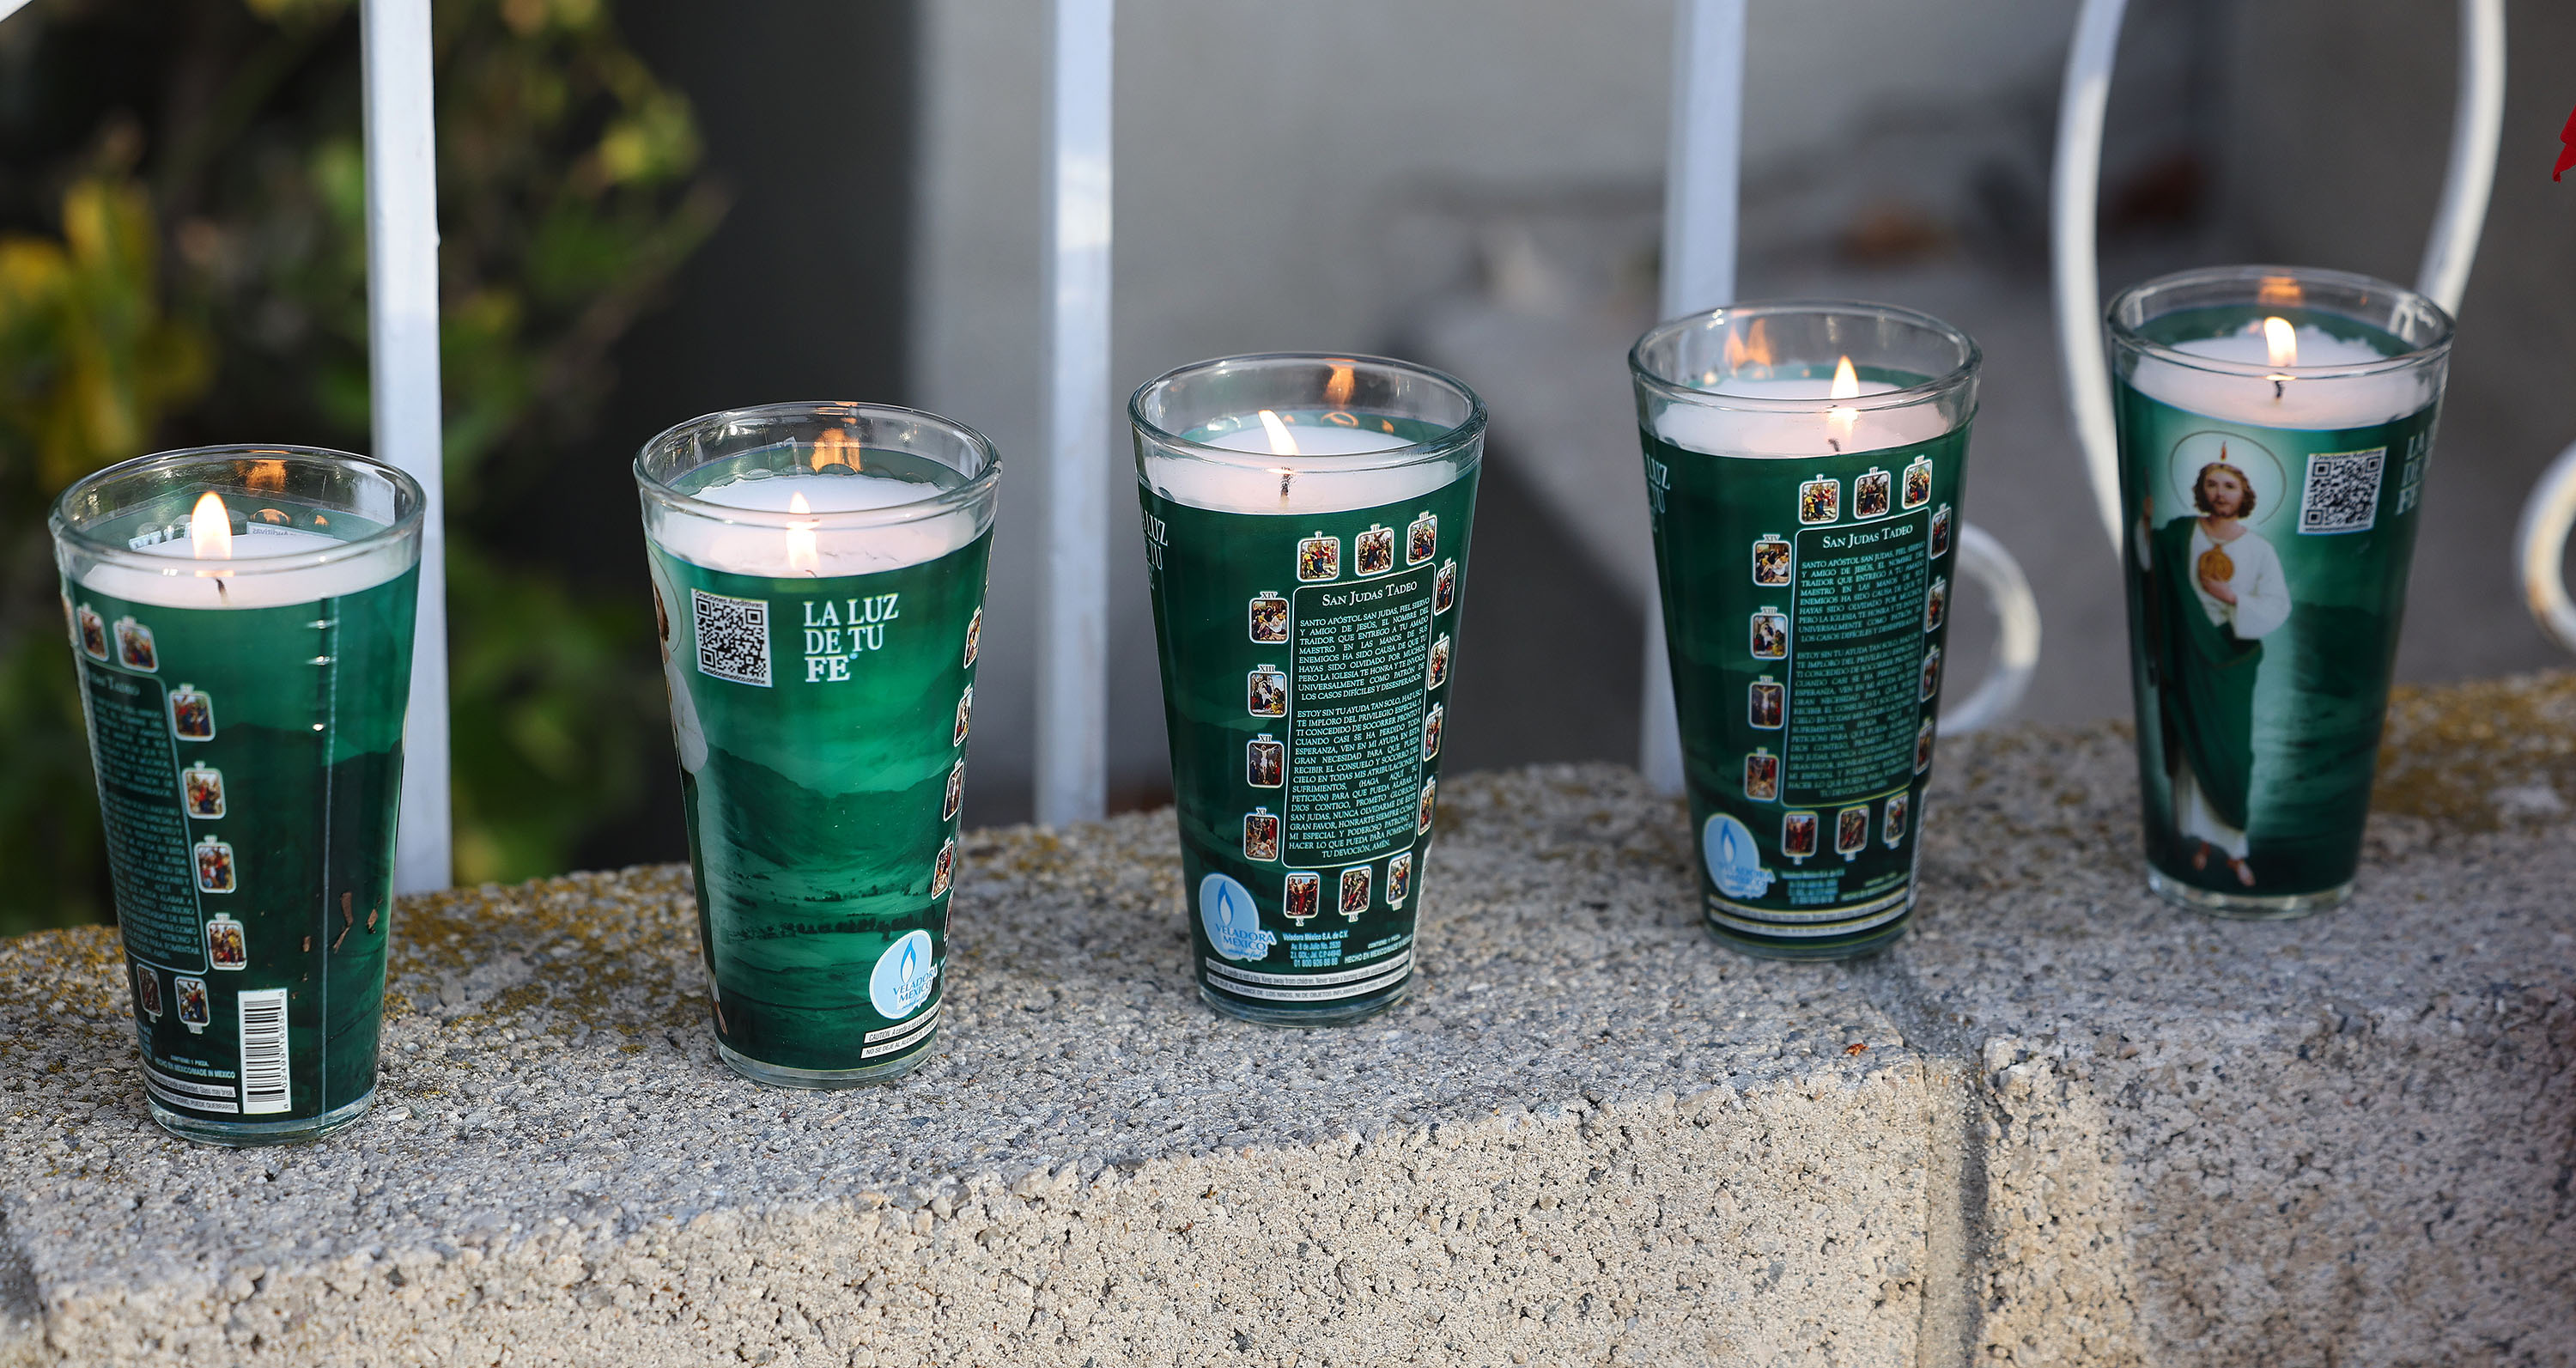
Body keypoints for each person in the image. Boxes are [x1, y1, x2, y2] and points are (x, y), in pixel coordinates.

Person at [2138, 455, 2290, 888]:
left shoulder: (2259, 550)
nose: (2219, 493)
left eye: (2229, 486)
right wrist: (2146, 526)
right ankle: (2201, 843)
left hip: (2229, 660)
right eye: (2212, 484)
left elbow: (2278, 605)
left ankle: (2236, 849)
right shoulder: (2180, 535)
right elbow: (2150, 564)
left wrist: (2234, 598)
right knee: (2190, 746)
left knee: (2232, 755)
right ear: (2201, 491)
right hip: (2186, 657)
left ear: (2244, 495)